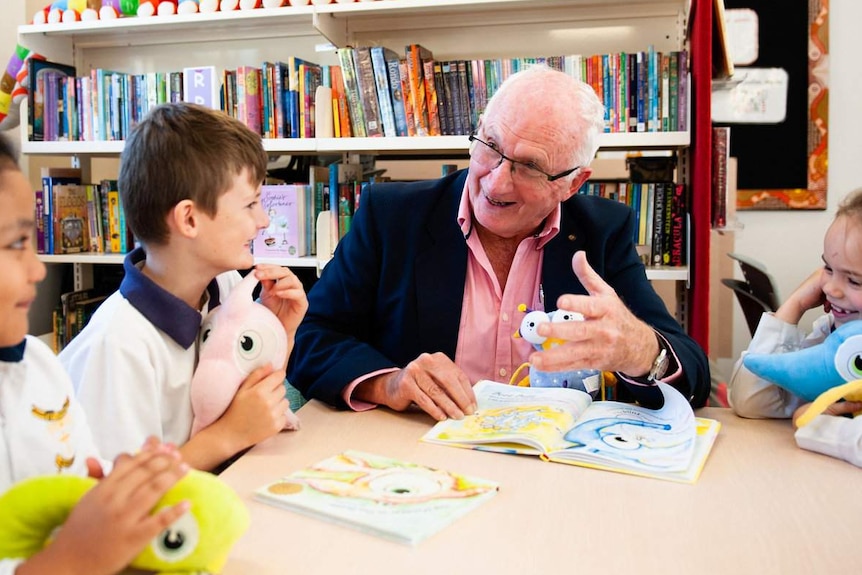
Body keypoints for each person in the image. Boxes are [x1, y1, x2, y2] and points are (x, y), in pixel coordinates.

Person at [288, 66, 710, 420]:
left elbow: (695, 376)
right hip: (420, 452)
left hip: (556, 465)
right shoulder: (392, 216)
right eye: (490, 146)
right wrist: (390, 383)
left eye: (529, 166)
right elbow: (311, 337)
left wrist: (637, 349)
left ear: (573, 182)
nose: (495, 180)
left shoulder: (604, 233)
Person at [60, 102, 308, 471]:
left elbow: (251, 407)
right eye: (251, 204)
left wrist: (278, 336)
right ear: (189, 218)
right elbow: (121, 494)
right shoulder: (118, 345)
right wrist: (227, 435)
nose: (263, 220)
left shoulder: (223, 285)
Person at [0, 134, 190, 575]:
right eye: (14, 246)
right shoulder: (117, 338)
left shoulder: (38, 363)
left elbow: (79, 474)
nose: (37, 269)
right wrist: (75, 560)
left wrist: (120, 489)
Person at [730, 188, 862, 465]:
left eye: (854, 281)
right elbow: (752, 402)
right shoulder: (833, 334)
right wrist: (793, 306)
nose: (830, 288)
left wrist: (812, 424)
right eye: (827, 269)